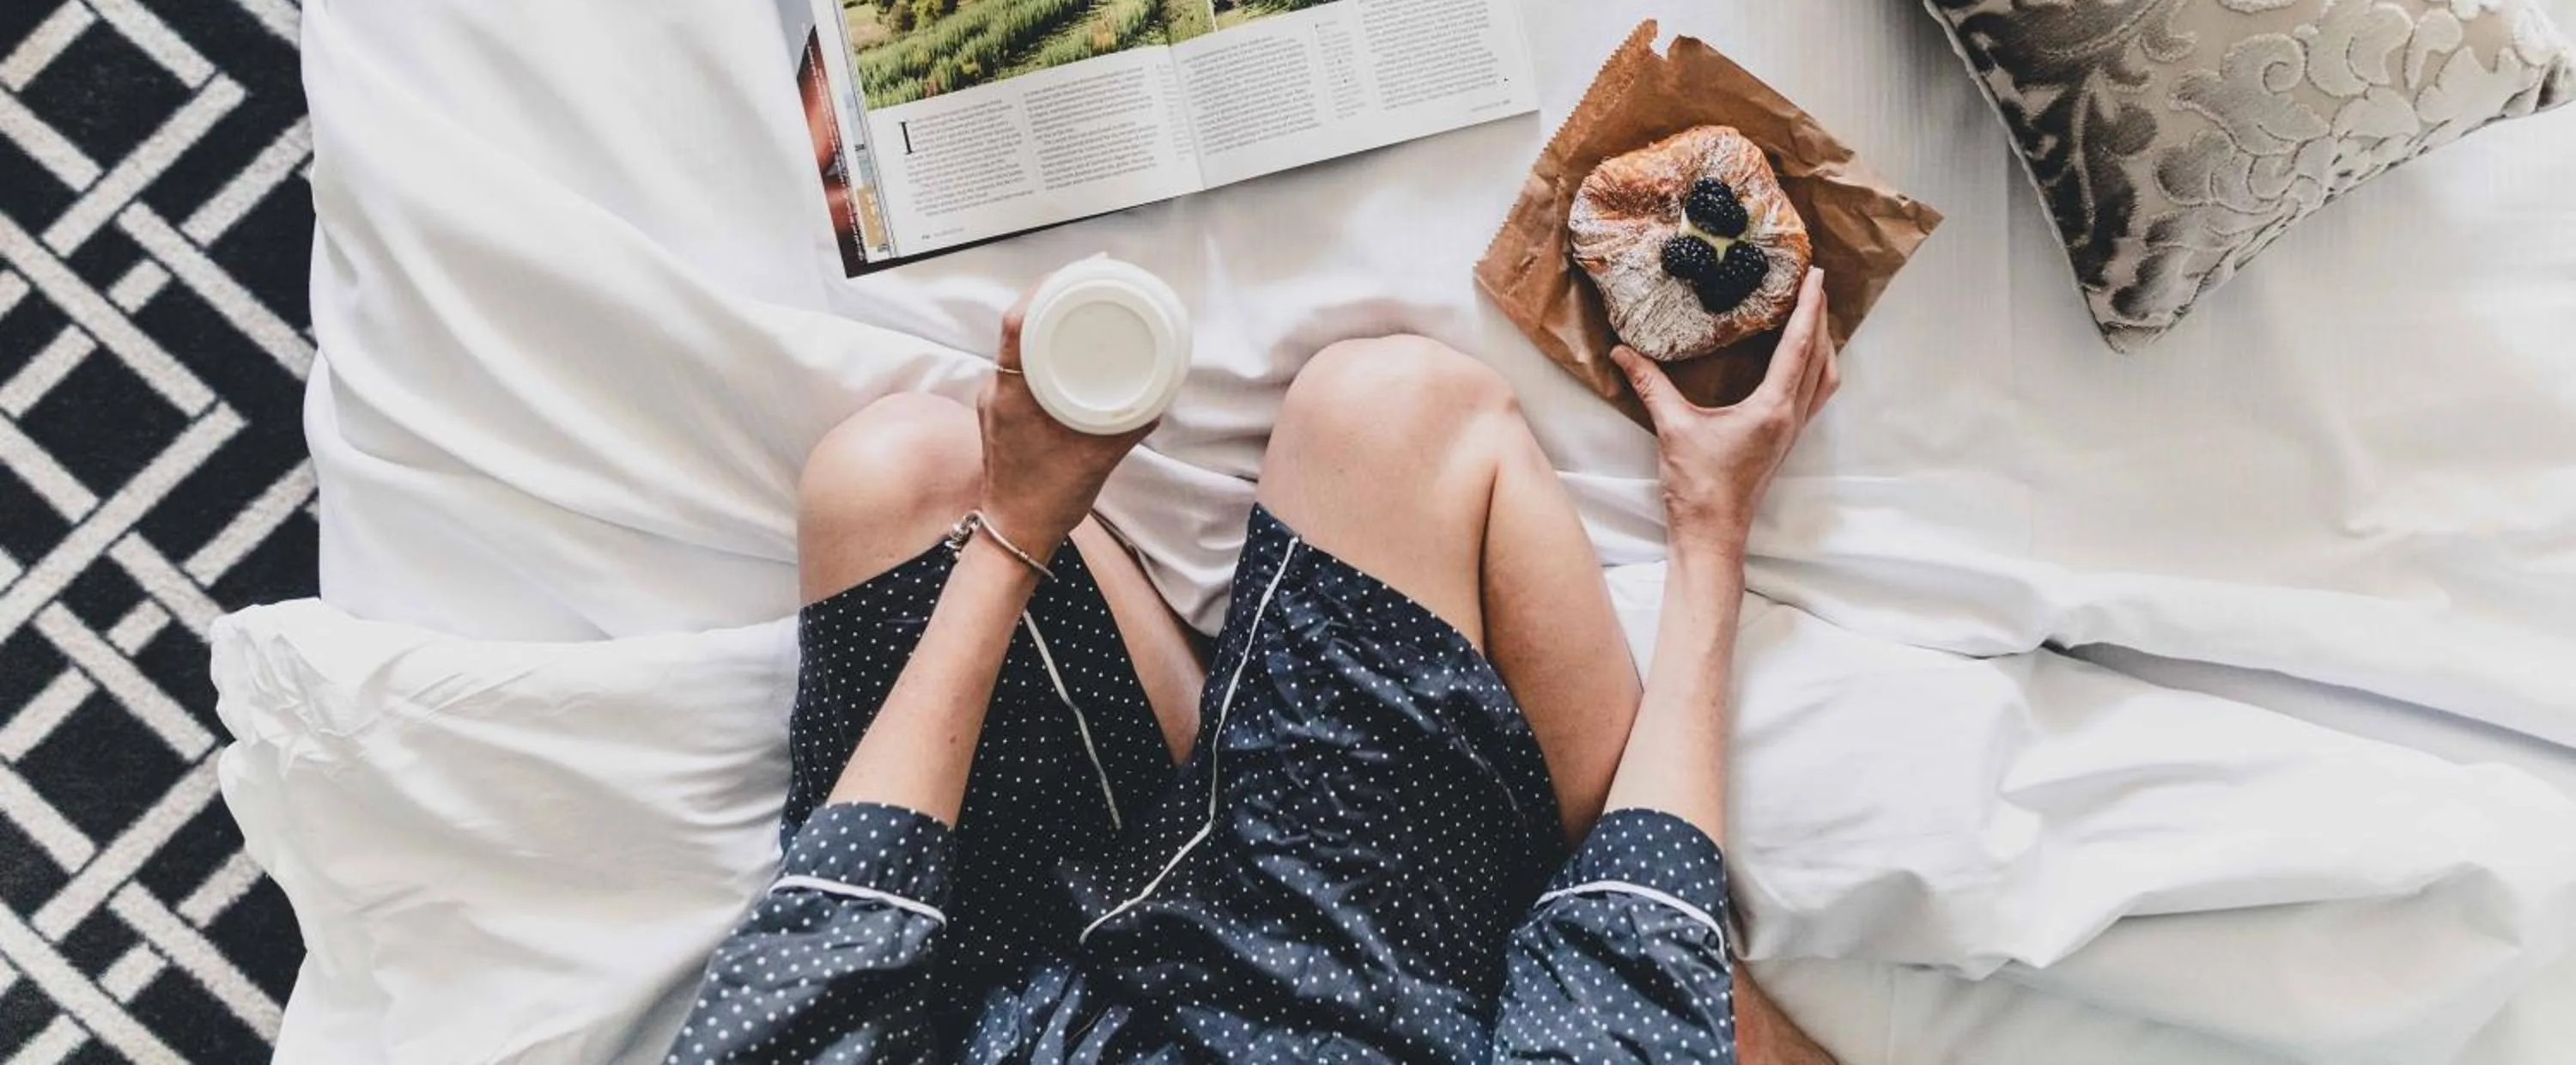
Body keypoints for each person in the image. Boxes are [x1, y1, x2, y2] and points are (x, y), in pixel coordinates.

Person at [668, 266, 1847, 1064]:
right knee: (1398, 411)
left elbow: (824, 943)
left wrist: (1017, 533)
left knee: (892, 472)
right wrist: (1712, 530)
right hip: (1332, 992)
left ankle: (1205, 736)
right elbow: (1625, 963)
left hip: (1005, 1005)